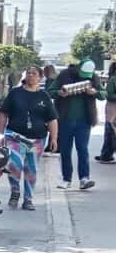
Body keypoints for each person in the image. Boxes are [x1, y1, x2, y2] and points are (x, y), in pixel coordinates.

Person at [0, 66, 59, 211]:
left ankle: (28, 199)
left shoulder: (44, 96)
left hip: (37, 139)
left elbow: (52, 119)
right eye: (28, 73)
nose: (31, 75)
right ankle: (15, 191)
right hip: (15, 136)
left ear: (40, 77)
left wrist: (54, 138)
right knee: (14, 164)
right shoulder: (15, 93)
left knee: (31, 169)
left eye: (34, 73)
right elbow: (3, 114)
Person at [52, 59, 98, 190]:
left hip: (84, 120)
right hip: (65, 119)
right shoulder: (65, 75)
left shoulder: (94, 77)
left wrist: (95, 92)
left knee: (82, 149)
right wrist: (59, 93)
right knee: (65, 150)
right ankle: (67, 179)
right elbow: (51, 90)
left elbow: (103, 94)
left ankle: (84, 178)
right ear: (79, 68)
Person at [98, 59, 116, 163]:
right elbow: (109, 95)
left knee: (110, 133)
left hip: (112, 111)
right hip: (113, 110)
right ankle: (106, 155)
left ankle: (105, 154)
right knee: (111, 133)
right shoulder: (113, 79)